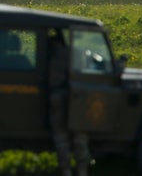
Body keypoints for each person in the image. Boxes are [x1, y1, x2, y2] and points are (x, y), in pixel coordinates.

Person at [49, 31, 90, 176]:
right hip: (77, 97)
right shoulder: (76, 54)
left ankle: (65, 169)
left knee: (61, 138)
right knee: (80, 136)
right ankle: (82, 169)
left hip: (57, 97)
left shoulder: (50, 57)